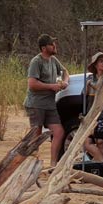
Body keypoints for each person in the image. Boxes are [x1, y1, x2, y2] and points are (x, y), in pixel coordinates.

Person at [24, 34, 69, 166]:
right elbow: (32, 84)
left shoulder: (53, 60)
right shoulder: (36, 61)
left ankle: (53, 164)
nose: (55, 46)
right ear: (44, 48)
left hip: (49, 104)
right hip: (36, 104)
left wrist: (65, 82)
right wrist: (52, 86)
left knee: (59, 132)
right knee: (36, 134)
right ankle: (32, 164)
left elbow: (65, 71)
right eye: (51, 44)